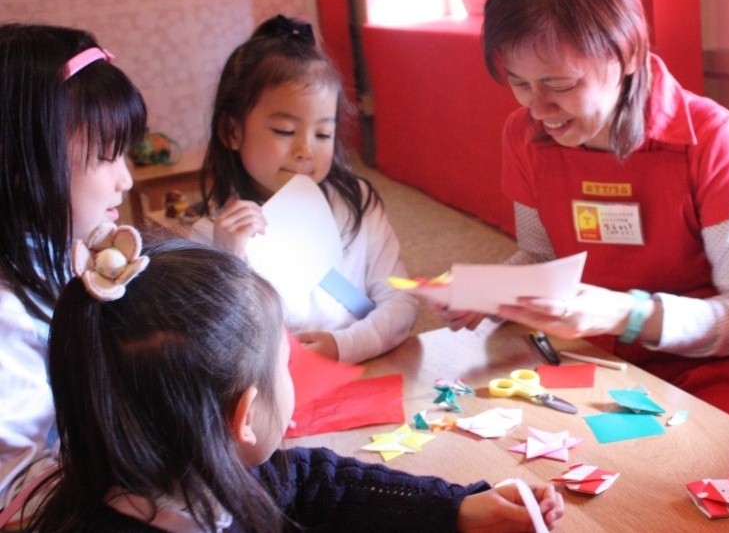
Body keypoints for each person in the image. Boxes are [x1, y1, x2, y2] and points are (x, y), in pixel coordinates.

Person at [447, 0, 729, 441]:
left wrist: (626, 313)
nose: (537, 108)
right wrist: (491, 287)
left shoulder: (711, 137)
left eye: (559, 84)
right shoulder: (524, 135)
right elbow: (541, 256)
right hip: (598, 359)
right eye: (519, 83)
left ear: (627, 53)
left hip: (716, 369)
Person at [26, 226, 565, 532]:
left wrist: (455, 507)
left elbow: (315, 484)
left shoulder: (183, 471)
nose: (294, 373)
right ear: (243, 417)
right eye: (286, 364)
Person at [197, 14, 417, 363]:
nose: (305, 150)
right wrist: (231, 259)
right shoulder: (212, 236)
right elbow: (219, 346)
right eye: (285, 131)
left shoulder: (356, 202)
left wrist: (344, 345)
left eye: (323, 134)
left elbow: (401, 300)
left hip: (372, 367)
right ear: (232, 131)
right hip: (281, 387)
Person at [0, 23, 147, 527]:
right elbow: (15, 493)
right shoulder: (7, 316)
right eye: (107, 155)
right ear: (23, 169)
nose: (126, 178)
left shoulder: (65, 256)